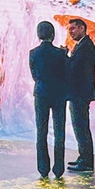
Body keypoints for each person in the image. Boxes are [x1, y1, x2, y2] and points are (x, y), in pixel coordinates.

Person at [30, 21, 69, 179]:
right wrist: (65, 55)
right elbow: (66, 74)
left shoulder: (33, 53)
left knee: (41, 131)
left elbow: (34, 76)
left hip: (41, 94)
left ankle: (43, 168)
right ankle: (58, 168)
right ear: (53, 35)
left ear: (39, 35)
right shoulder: (60, 54)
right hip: (59, 95)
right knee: (59, 132)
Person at [66, 18, 95, 172]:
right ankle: (83, 157)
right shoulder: (83, 45)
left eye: (72, 28)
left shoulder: (85, 46)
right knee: (80, 127)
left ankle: (86, 162)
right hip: (80, 93)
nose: (70, 32)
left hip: (80, 94)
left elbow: (74, 67)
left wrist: (64, 57)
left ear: (82, 28)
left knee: (81, 127)